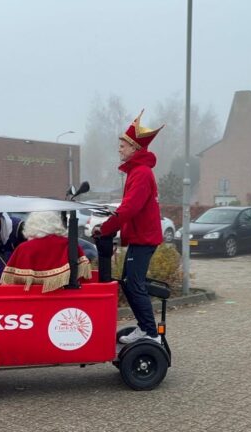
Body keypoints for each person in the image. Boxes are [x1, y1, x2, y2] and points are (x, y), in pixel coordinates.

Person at [93, 109, 164, 344]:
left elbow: (130, 208)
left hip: (144, 239)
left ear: (135, 148)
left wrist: (105, 228)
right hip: (140, 238)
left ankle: (150, 332)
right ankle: (145, 328)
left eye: (123, 146)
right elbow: (128, 208)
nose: (119, 149)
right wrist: (110, 224)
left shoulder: (141, 173)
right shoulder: (137, 171)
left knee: (134, 284)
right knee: (129, 283)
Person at [0, 211, 91, 292]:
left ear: (31, 225)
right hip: (63, 297)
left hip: (30, 299)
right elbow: (82, 275)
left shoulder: (23, 248)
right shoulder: (69, 244)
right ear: (57, 223)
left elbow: (10, 282)